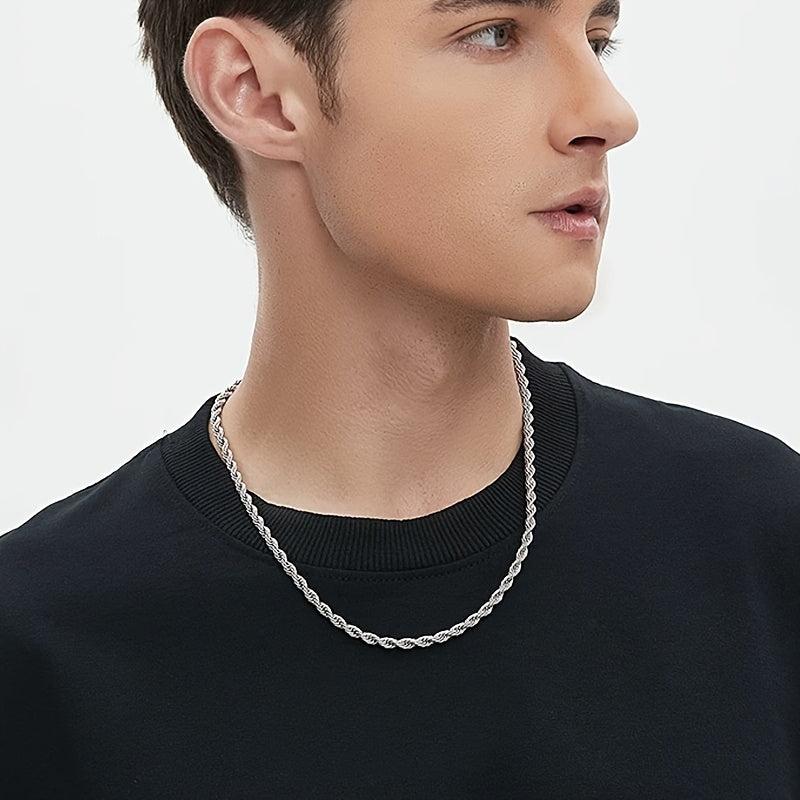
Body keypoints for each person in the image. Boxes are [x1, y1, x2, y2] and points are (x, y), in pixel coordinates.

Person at [1, 1, 797, 797]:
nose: (609, 114)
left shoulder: (758, 539)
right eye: (495, 34)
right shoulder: (38, 642)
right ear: (256, 92)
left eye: (597, 40)